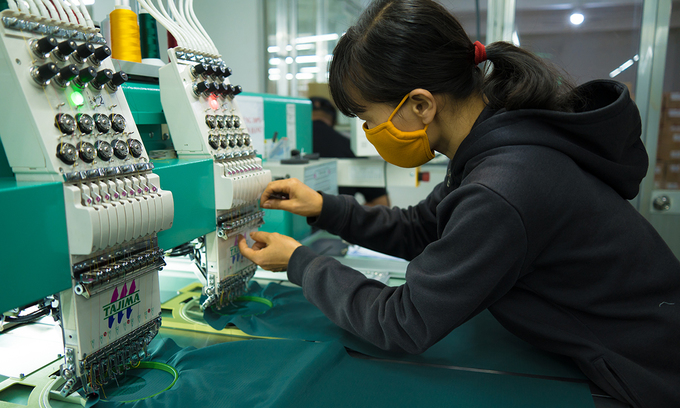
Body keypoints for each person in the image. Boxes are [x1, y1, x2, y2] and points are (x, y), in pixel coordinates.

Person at [238, 1, 680, 407]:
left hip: (642, 375)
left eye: (369, 119)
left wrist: (300, 262)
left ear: (420, 105)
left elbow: (401, 322)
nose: (369, 132)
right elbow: (421, 228)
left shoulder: (505, 184)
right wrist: (323, 208)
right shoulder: (494, 145)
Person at [310, 96, 391, 207]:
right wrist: (347, 215)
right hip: (334, 222)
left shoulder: (285, 147)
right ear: (333, 120)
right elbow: (382, 203)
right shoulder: (350, 148)